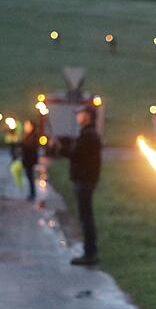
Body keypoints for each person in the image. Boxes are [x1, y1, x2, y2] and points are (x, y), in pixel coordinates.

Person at [59, 105, 102, 266]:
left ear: (88, 117)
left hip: (85, 181)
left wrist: (60, 148)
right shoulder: (87, 134)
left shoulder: (89, 135)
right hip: (85, 180)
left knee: (86, 218)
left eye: (80, 114)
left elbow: (76, 155)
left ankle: (90, 253)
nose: (78, 116)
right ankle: (90, 251)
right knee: (85, 216)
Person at [20, 120, 39, 202]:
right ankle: (31, 193)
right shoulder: (27, 135)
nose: (25, 126)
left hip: (30, 159)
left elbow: (32, 146)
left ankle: (33, 193)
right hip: (27, 159)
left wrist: (23, 145)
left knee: (30, 176)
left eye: (27, 125)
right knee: (29, 176)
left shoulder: (34, 135)